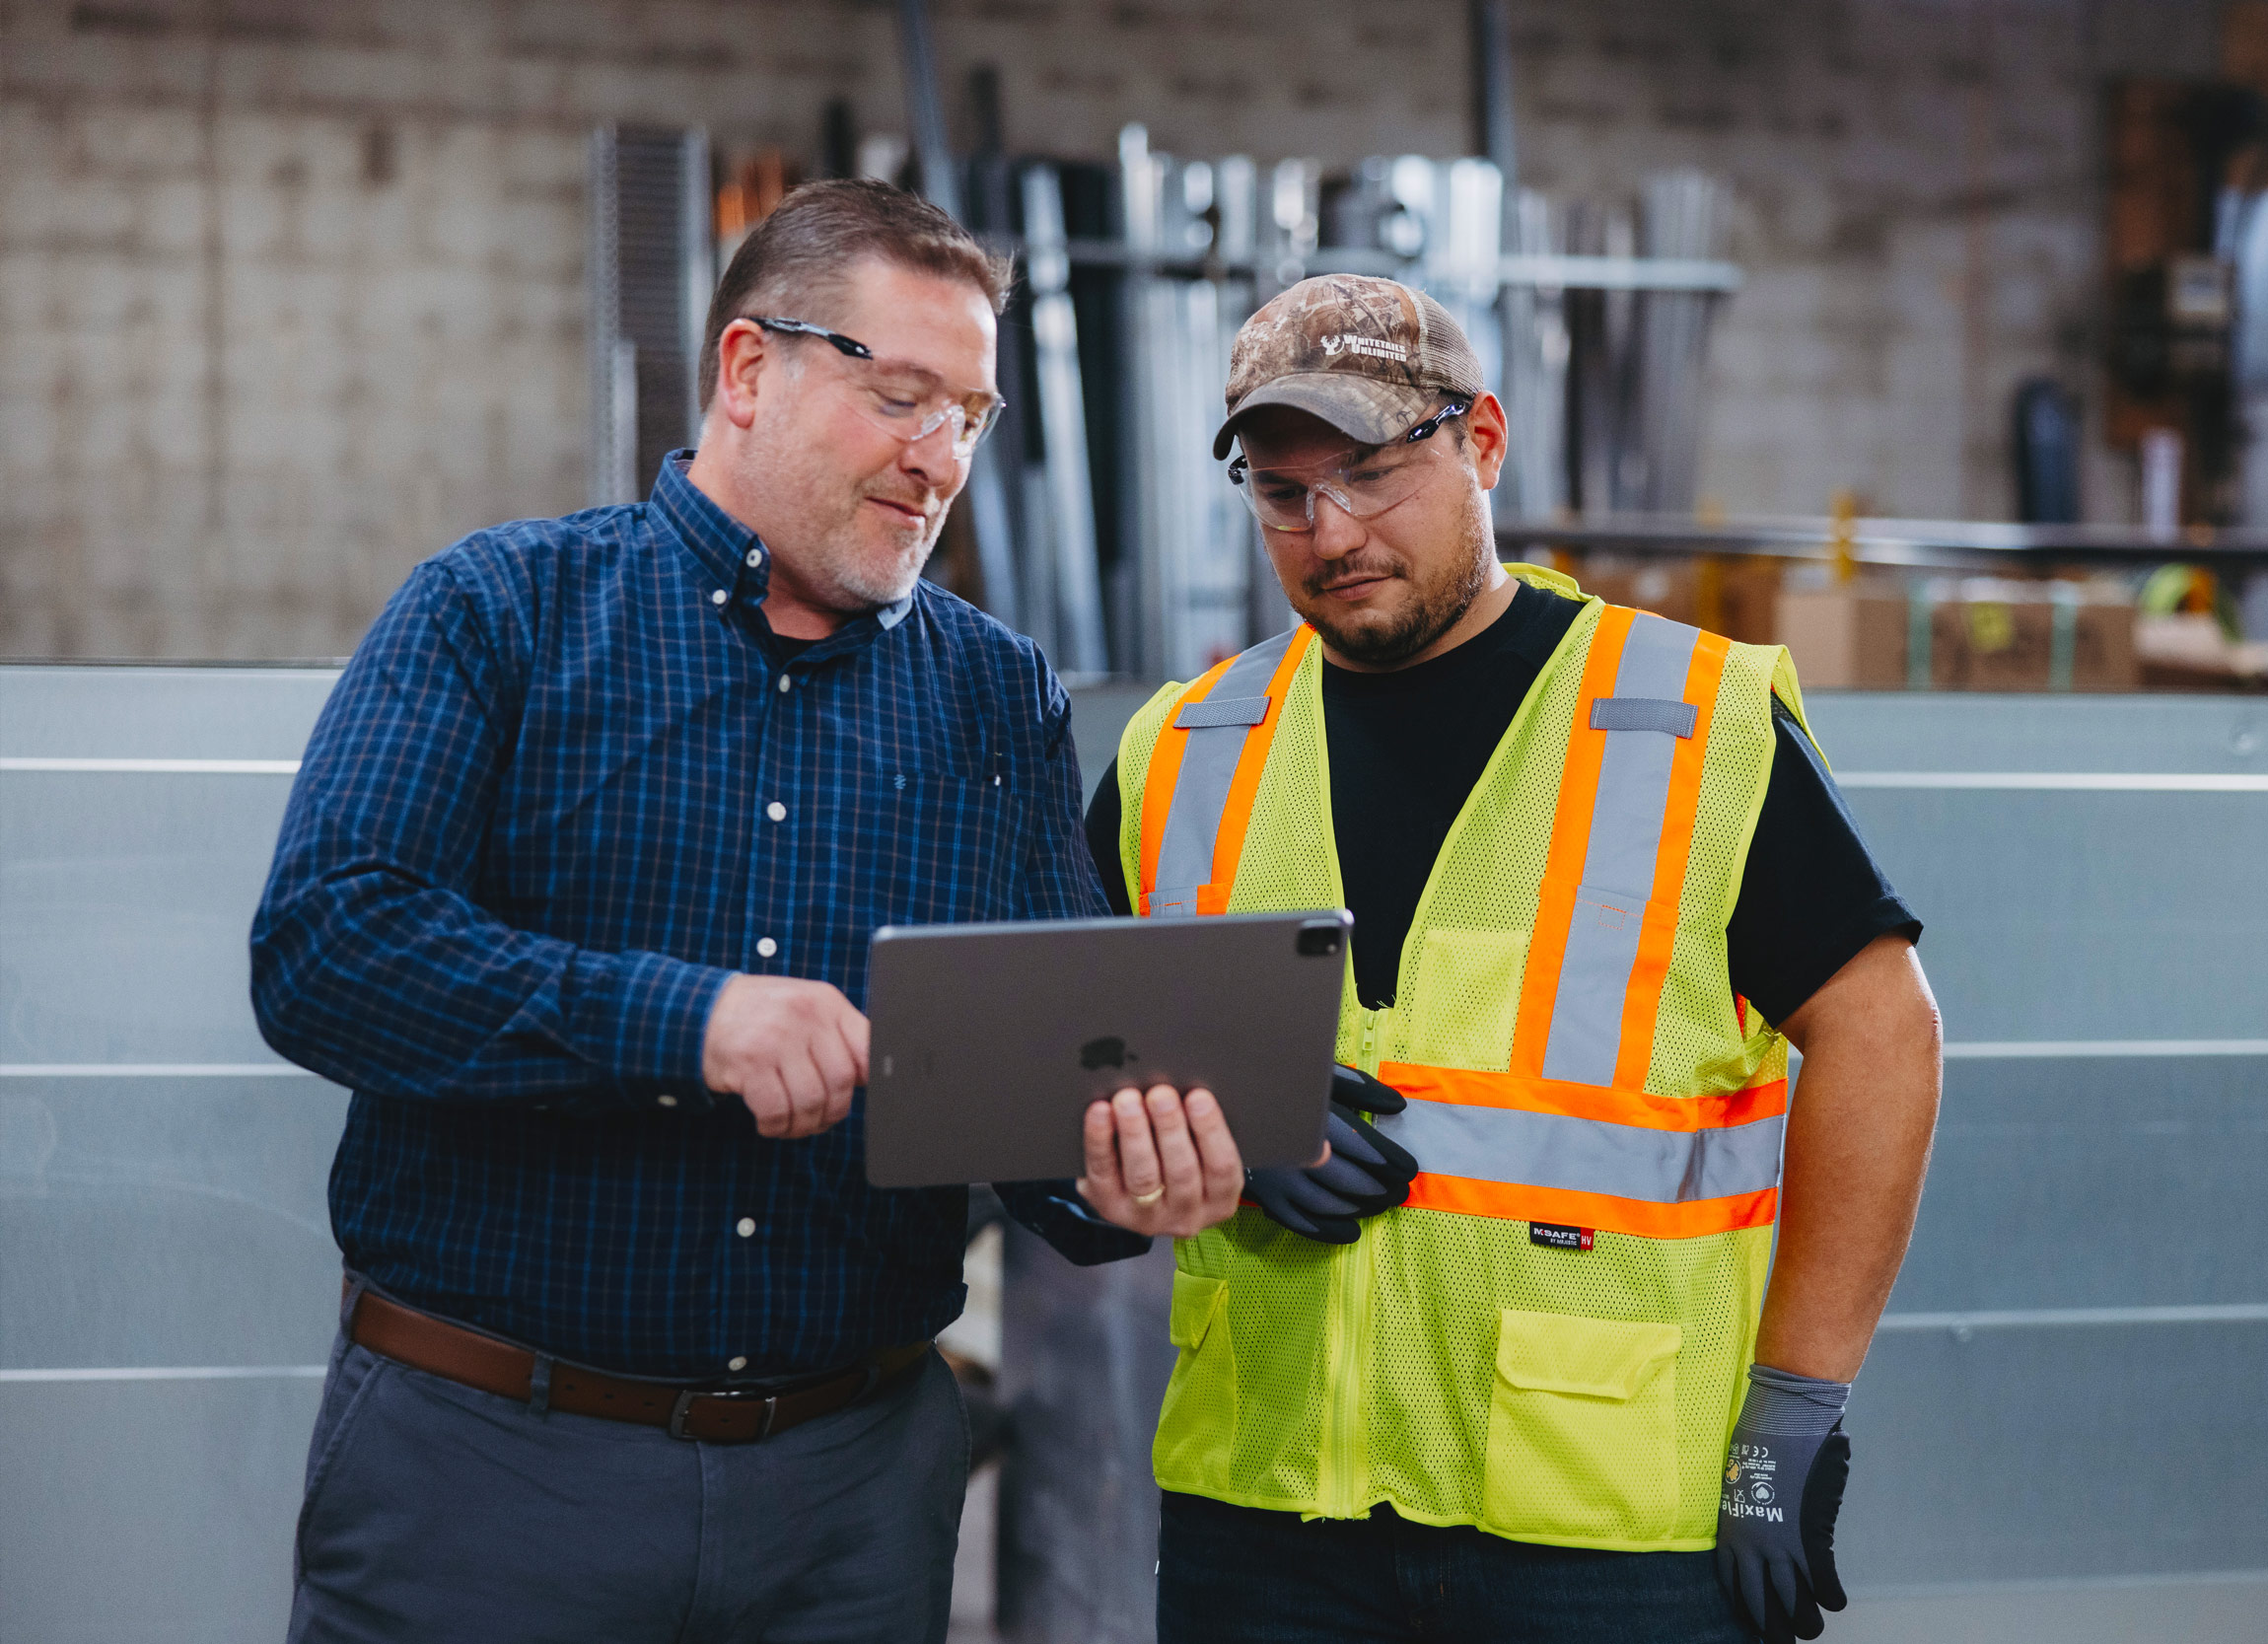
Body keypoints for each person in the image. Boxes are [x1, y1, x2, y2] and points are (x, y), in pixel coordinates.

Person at [250, 179, 1244, 1644]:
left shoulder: (992, 693)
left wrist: (1120, 1180)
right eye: (901, 396)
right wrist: (687, 1016)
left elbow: (1037, 1083)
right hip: (490, 1475)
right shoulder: (500, 612)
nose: (939, 460)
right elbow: (328, 948)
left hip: (850, 1504)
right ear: (746, 370)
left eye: (971, 415)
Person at [1082, 275, 1944, 1644]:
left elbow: (1883, 1031)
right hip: (1271, 1519)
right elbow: (1086, 1051)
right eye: (1282, 493)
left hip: (1601, 1529)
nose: (1331, 531)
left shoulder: (1684, 722)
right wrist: (1232, 1126)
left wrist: (1793, 1410)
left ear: (1482, 441)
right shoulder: (1185, 750)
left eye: (1370, 473)